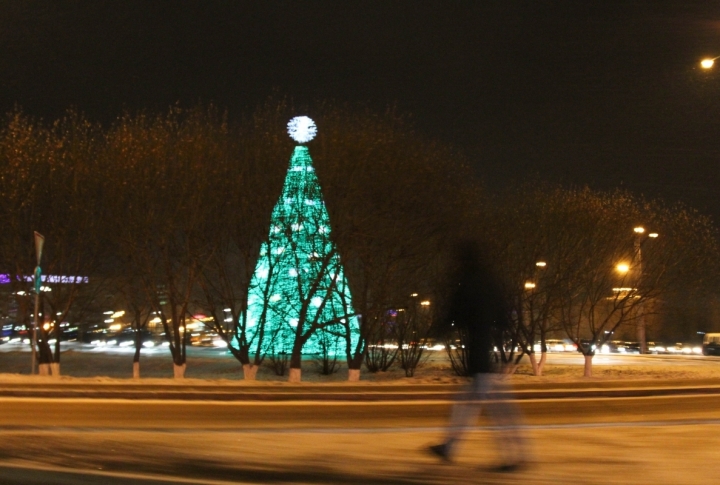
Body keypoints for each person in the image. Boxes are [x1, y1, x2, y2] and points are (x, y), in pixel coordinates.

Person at [428, 241, 528, 472]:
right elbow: (504, 315)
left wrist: (439, 330)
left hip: (481, 355)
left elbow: (456, 312)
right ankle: (451, 447)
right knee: (474, 405)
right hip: (488, 353)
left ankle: (515, 456)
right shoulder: (489, 281)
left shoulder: (470, 282)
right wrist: (504, 351)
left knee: (494, 410)